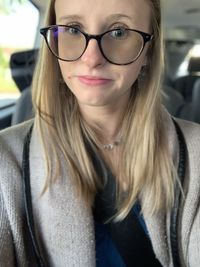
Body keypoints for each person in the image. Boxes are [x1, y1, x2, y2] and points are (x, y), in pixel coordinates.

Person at [0, 0, 200, 266]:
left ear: (148, 50)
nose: (92, 58)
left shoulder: (196, 153)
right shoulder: (6, 161)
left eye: (119, 32)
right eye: (72, 29)